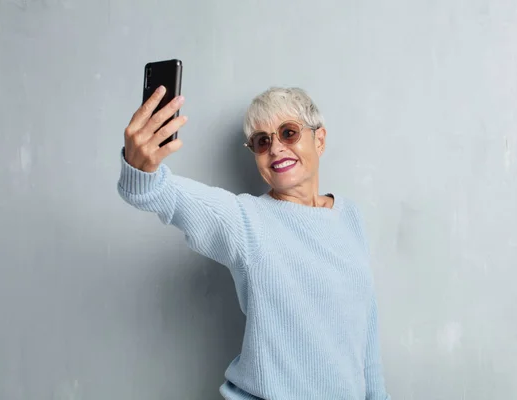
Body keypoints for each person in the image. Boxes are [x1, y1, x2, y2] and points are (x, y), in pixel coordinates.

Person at [117, 86, 391, 399]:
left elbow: (365, 333)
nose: (275, 148)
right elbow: (168, 196)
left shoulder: (349, 216)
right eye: (262, 141)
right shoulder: (248, 221)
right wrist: (141, 170)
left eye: (288, 133)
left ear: (319, 140)